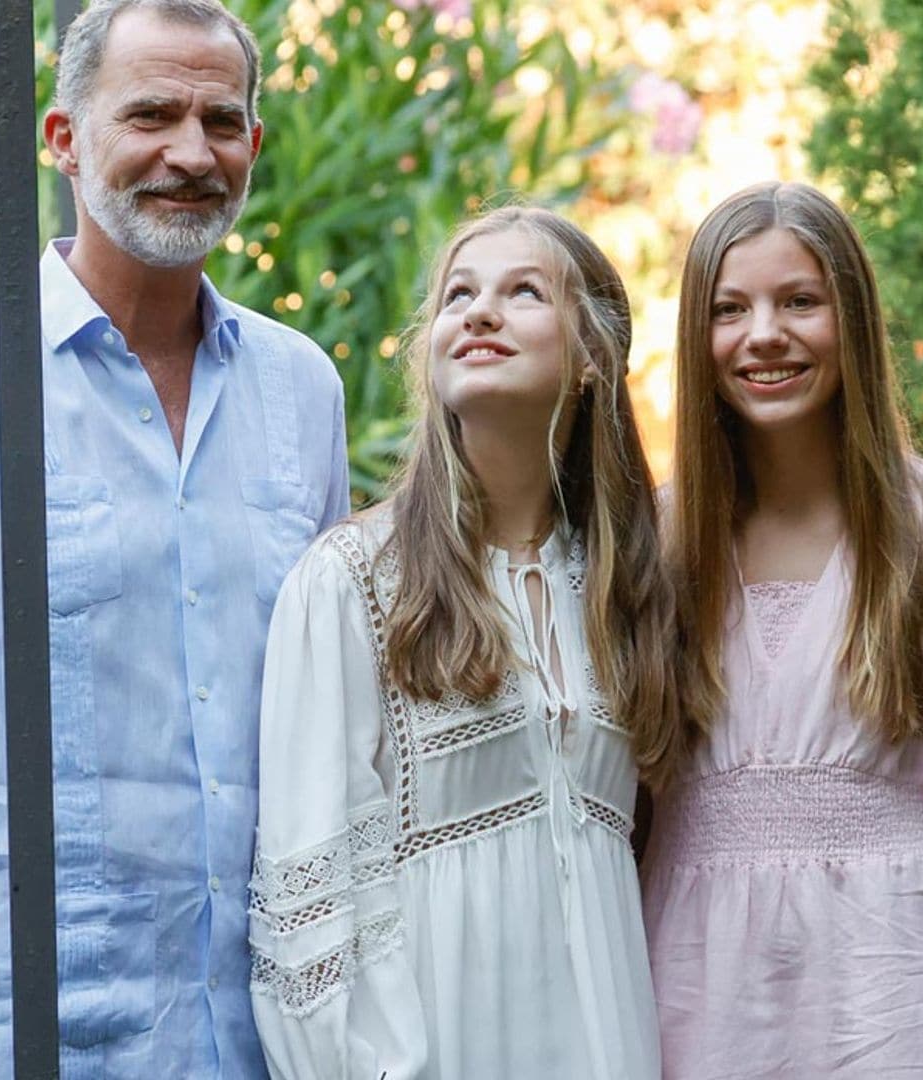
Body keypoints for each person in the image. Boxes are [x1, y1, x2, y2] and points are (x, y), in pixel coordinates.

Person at [0, 1, 349, 1075]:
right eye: (150, 114)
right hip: (8, 1043)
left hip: (265, 1042)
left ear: (256, 146)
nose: (191, 153)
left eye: (221, 120)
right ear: (61, 139)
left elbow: (329, 719)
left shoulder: (303, 394)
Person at [248, 206, 670, 1080]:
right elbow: (310, 898)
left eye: (524, 292)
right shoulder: (351, 581)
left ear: (594, 355)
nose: (479, 313)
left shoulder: (628, 586)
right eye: (458, 295)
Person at [640, 181, 923, 1079]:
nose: (764, 334)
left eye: (800, 302)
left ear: (851, 317)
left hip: (898, 985)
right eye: (729, 309)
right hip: (697, 988)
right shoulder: (653, 545)